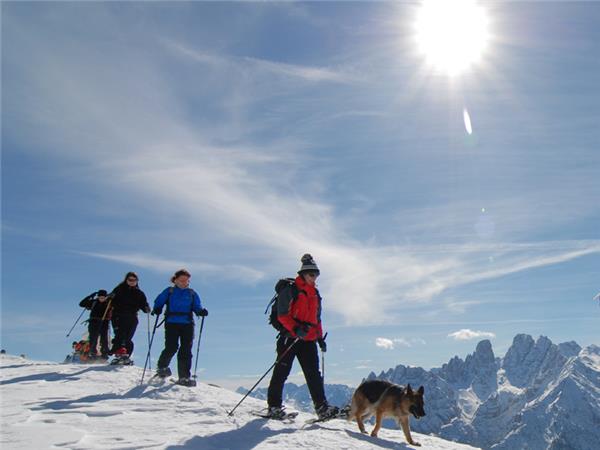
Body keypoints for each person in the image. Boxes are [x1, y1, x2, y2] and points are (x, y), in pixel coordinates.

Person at [266, 253, 338, 420]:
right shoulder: (290, 290)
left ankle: (322, 408)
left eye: (316, 274)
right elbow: (283, 315)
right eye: (311, 274)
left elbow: (316, 319)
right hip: (289, 338)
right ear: (303, 274)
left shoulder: (315, 294)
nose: (314, 277)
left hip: (309, 340)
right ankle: (274, 407)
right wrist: (296, 329)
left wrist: (319, 338)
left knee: (313, 374)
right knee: (281, 372)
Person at [152, 269, 208, 386]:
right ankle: (162, 367)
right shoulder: (170, 291)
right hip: (172, 322)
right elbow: (159, 300)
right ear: (176, 280)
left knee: (186, 350)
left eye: (186, 281)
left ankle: (184, 377)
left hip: (187, 323)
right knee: (172, 347)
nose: (184, 283)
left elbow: (197, 306)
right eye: (181, 280)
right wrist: (157, 308)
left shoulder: (191, 293)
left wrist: (201, 311)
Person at [109, 271, 150, 362]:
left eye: (134, 280)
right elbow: (110, 300)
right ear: (126, 280)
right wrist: (110, 297)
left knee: (128, 337)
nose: (132, 281)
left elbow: (143, 303)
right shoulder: (119, 289)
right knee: (120, 334)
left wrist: (146, 308)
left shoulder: (139, 293)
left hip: (132, 316)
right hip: (118, 315)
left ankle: (125, 354)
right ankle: (119, 352)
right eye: (130, 280)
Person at [78, 289, 111, 360]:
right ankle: (93, 353)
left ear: (106, 297)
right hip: (93, 322)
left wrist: (112, 298)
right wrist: (90, 296)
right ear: (98, 297)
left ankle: (104, 354)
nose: (102, 299)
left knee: (104, 339)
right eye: (100, 297)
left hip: (104, 322)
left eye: (103, 297)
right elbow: (81, 304)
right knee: (93, 338)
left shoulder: (109, 302)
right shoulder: (94, 302)